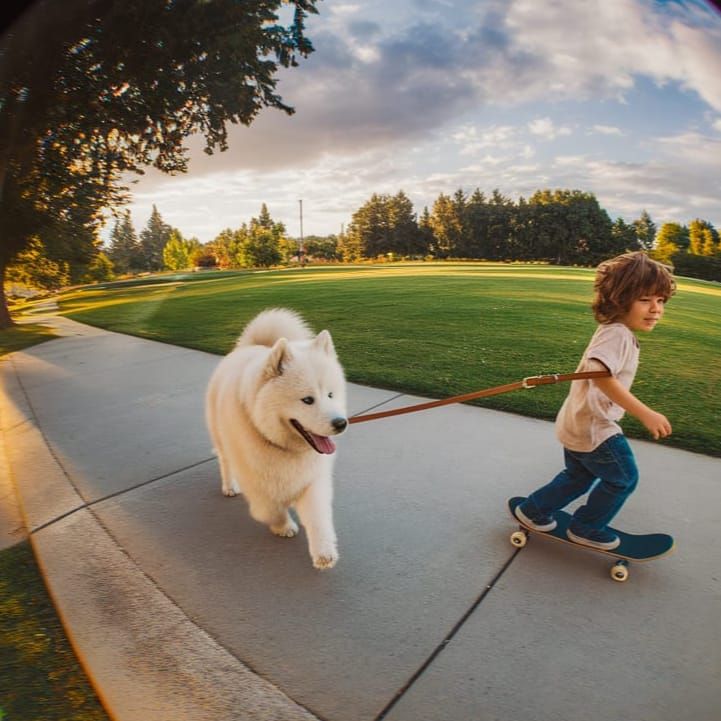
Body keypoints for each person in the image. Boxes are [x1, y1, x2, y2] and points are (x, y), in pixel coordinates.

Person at [515, 251, 676, 550]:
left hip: (577, 421)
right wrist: (645, 413)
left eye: (661, 300)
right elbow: (601, 375)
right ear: (619, 299)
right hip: (596, 428)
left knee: (577, 477)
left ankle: (534, 510)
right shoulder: (617, 334)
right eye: (645, 300)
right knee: (623, 479)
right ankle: (587, 527)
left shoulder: (616, 332)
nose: (656, 309)